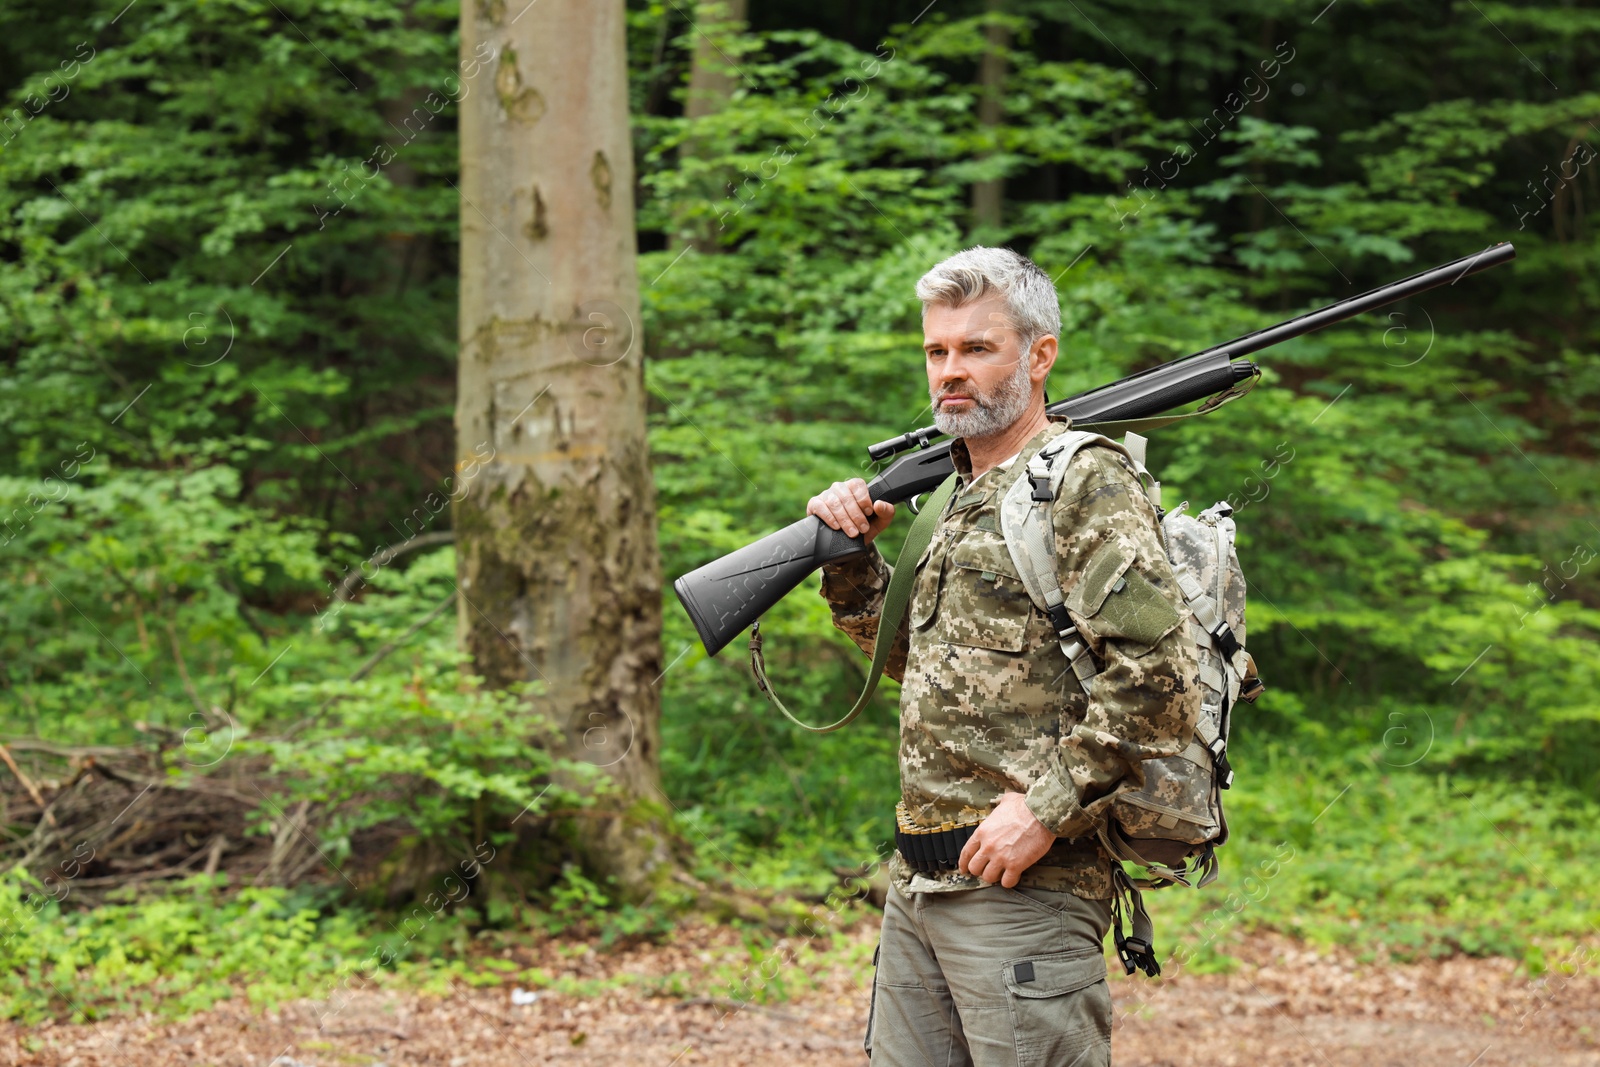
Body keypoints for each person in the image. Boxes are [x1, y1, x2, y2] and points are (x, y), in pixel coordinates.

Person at [807, 246, 1201, 1067]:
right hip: (918, 886)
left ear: (1039, 354)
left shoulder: (1082, 482)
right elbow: (921, 660)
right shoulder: (953, 493)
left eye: (976, 348)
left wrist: (1047, 807)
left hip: (1027, 894)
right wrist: (845, 557)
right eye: (937, 351)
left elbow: (1160, 678)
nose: (950, 370)